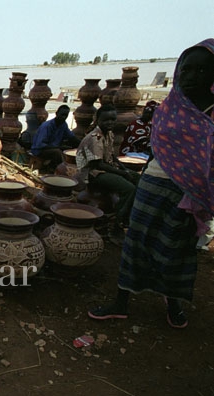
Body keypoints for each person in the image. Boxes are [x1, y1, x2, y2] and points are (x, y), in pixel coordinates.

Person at [88, 38, 214, 329]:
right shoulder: (172, 105)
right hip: (155, 181)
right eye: (187, 69)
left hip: (190, 193)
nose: (192, 76)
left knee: (176, 247)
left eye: (202, 70)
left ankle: (173, 302)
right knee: (137, 242)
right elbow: (158, 146)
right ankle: (120, 302)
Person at [75, 104, 140, 243]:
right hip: (92, 173)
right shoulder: (94, 137)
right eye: (106, 120)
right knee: (129, 189)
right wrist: (122, 174)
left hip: (104, 168)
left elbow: (111, 156)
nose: (110, 122)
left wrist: (124, 169)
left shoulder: (109, 133)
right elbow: (97, 164)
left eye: (112, 119)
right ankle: (117, 224)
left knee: (138, 179)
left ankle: (129, 215)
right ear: (97, 120)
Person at [30, 104, 82, 172]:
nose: (63, 117)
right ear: (57, 113)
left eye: (65, 115)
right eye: (62, 115)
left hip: (53, 147)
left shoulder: (63, 125)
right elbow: (40, 145)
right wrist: (58, 147)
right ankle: (62, 170)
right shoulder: (47, 126)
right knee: (57, 152)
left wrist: (82, 144)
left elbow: (71, 137)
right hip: (39, 150)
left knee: (69, 150)